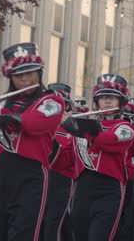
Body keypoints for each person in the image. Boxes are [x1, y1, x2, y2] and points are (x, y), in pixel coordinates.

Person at [0, 43, 65, 240]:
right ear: (10, 78)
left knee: (23, 234)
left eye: (30, 73)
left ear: (39, 73)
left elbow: (33, 123)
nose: (25, 80)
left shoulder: (52, 101)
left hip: (31, 176)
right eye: (18, 75)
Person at [64, 74, 134, 240]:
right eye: (103, 97)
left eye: (112, 97)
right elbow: (64, 159)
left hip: (109, 189)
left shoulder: (126, 126)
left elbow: (107, 141)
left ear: (121, 102)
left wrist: (79, 129)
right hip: (82, 188)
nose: (108, 101)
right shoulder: (82, 126)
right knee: (80, 235)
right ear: (96, 101)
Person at [42, 83, 75, 241]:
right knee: (39, 223)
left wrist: (69, 127)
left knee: (52, 225)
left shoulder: (72, 129)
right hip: (40, 179)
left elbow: (70, 158)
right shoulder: (42, 125)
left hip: (61, 181)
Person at [114, 98, 134, 241]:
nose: (130, 120)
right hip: (122, 179)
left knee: (132, 219)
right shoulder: (120, 128)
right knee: (118, 217)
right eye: (127, 117)